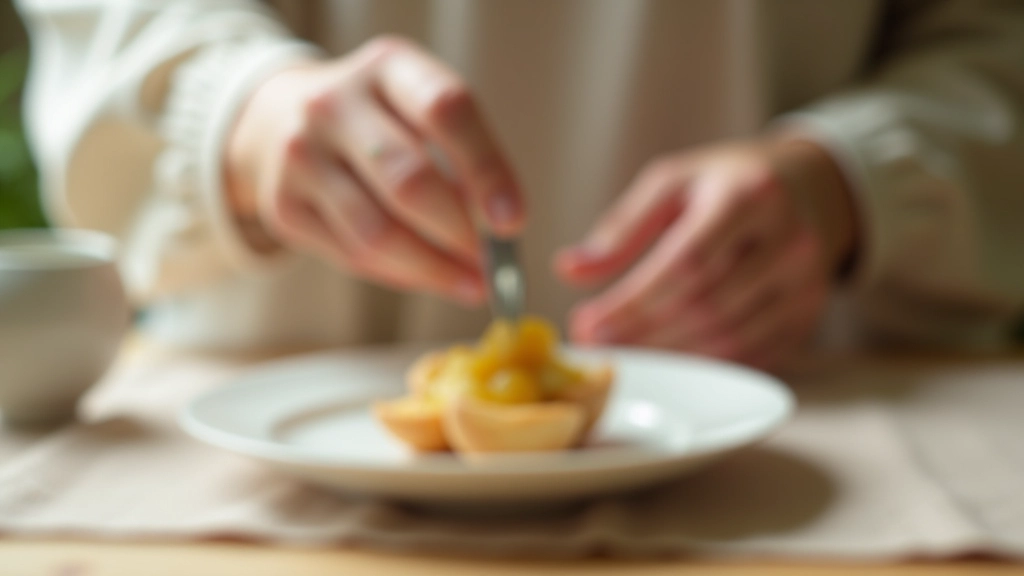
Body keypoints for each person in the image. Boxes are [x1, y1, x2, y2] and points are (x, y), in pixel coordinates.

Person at [14, 0, 1024, 369]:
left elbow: (992, 38)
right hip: (265, 468)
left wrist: (844, 177)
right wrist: (239, 109)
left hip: (814, 421)